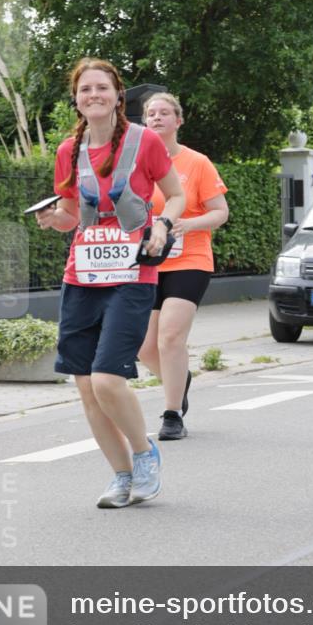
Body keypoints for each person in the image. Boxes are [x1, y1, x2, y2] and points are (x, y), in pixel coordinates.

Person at [36, 59, 185, 508]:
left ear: (119, 96)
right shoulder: (69, 150)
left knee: (105, 378)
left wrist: (162, 224)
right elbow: (69, 217)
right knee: (85, 385)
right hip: (81, 276)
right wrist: (51, 219)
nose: (93, 95)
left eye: (102, 87)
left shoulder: (145, 142)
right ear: (76, 98)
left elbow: (175, 194)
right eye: (85, 89)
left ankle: (144, 455)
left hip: (132, 274)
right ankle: (121, 476)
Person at [138, 93, 228, 440]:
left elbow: (220, 211)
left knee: (171, 337)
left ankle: (172, 413)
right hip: (148, 262)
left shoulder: (197, 163)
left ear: (179, 121)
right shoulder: (136, 164)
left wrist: (189, 224)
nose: (157, 118)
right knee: (144, 347)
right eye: (150, 114)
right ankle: (180, 378)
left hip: (189, 259)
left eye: (164, 113)